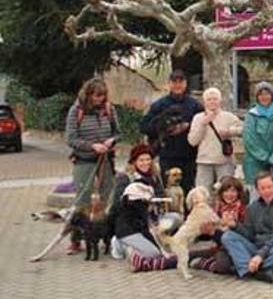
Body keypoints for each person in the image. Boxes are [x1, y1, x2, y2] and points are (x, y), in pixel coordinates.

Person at [65, 78, 119, 254]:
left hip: (105, 160)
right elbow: (71, 138)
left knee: (108, 197)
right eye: (97, 96)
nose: (100, 100)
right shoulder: (76, 111)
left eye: (103, 96)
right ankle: (76, 239)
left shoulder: (109, 109)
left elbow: (118, 132)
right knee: (83, 201)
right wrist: (92, 146)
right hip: (84, 160)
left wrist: (111, 141)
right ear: (88, 94)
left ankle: (105, 236)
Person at [221, 171, 273, 283]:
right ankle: (253, 270)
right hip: (258, 247)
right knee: (228, 236)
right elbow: (249, 234)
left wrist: (260, 256)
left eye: (269, 187)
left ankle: (249, 268)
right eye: (262, 188)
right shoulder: (252, 208)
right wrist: (235, 226)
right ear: (257, 190)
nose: (266, 191)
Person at [111, 144, 177, 272]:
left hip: (150, 219)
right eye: (141, 160)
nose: (145, 163)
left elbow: (160, 195)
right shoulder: (126, 178)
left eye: (148, 159)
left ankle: (157, 240)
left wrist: (155, 200)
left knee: (175, 218)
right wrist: (132, 200)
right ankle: (120, 245)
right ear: (134, 161)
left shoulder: (154, 176)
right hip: (130, 224)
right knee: (153, 254)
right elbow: (116, 205)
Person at [140, 69, 203, 194]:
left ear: (186, 84)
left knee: (188, 192)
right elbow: (144, 126)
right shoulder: (159, 105)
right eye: (174, 82)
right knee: (166, 192)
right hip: (167, 156)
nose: (177, 85)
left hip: (189, 157)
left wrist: (188, 126)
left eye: (181, 81)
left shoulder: (195, 105)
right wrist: (163, 128)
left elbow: (203, 126)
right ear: (169, 83)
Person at [188, 175, 247, 275]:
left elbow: (245, 233)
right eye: (226, 191)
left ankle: (202, 262)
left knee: (228, 267)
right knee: (186, 255)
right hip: (221, 247)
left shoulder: (243, 210)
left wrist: (233, 225)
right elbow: (211, 236)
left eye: (233, 191)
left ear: (238, 193)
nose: (229, 194)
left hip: (238, 247)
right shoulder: (218, 209)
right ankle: (200, 258)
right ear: (221, 193)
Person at [187, 87, 243, 190]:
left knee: (226, 190)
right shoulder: (198, 118)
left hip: (224, 161)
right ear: (204, 102)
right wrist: (203, 124)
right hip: (204, 161)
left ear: (220, 100)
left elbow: (244, 130)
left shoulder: (229, 117)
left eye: (215, 99)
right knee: (202, 192)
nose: (212, 102)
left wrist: (230, 132)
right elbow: (192, 141)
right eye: (209, 99)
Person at [243, 81, 273, 199]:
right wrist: (264, 157)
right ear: (257, 97)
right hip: (255, 163)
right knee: (257, 197)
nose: (264, 97)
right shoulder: (251, 115)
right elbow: (249, 139)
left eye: (267, 94)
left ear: (272, 95)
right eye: (261, 94)